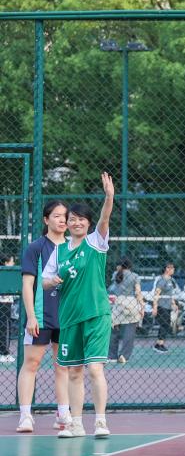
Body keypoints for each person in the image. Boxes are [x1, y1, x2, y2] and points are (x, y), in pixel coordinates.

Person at [42, 173, 116, 439]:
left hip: (96, 314)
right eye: (72, 219)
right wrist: (52, 281)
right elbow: (44, 282)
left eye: (81, 219)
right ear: (67, 223)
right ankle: (76, 423)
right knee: (73, 371)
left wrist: (109, 196)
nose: (76, 222)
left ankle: (100, 421)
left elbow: (105, 218)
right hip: (69, 318)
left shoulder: (96, 242)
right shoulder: (58, 251)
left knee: (94, 368)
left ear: (88, 223)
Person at [16, 201, 71, 433]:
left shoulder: (74, 248)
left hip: (66, 316)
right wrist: (31, 316)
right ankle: (25, 416)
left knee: (63, 366)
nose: (62, 220)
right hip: (40, 315)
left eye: (65, 216)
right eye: (56, 215)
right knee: (32, 364)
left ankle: (63, 413)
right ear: (46, 220)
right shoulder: (35, 248)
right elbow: (27, 285)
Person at [107, 258, 144, 364]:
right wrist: (142, 306)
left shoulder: (115, 274)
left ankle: (112, 356)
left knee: (113, 329)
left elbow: (112, 289)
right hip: (131, 303)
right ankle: (124, 355)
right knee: (130, 330)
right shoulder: (135, 276)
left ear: (120, 266)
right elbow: (138, 292)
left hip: (118, 302)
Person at [151, 262, 178, 353]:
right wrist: (155, 307)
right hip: (162, 306)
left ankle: (159, 344)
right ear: (167, 269)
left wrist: (173, 304)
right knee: (164, 324)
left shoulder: (171, 280)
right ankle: (159, 345)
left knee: (166, 325)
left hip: (168, 306)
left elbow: (170, 294)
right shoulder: (162, 280)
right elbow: (156, 294)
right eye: (172, 268)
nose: (173, 269)